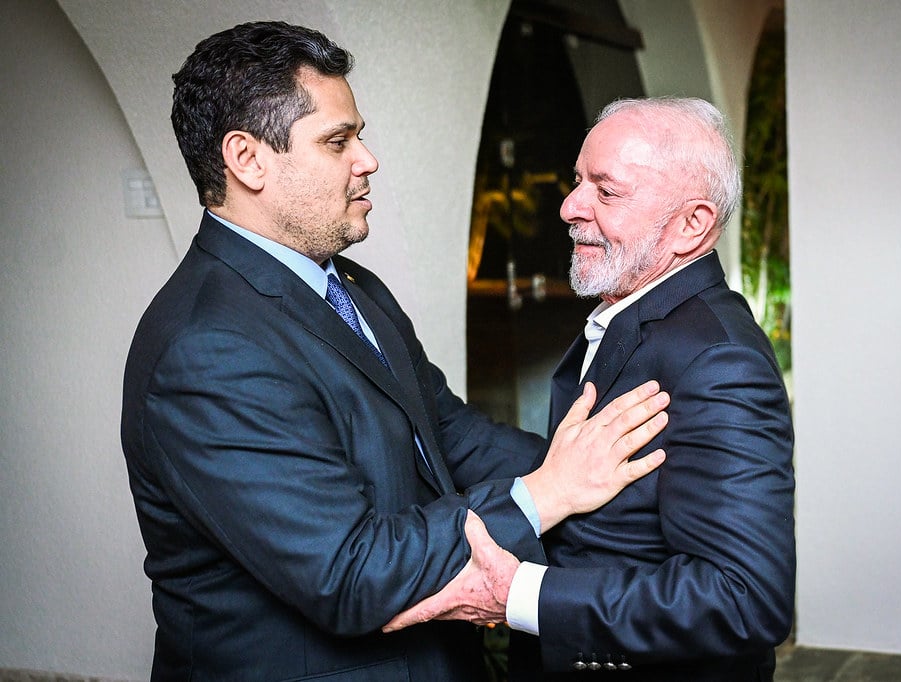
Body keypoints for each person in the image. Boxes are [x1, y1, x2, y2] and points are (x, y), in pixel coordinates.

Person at [120, 21, 670, 681]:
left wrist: (626, 479)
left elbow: (449, 434)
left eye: (359, 135)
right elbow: (349, 572)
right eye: (337, 141)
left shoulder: (353, 287)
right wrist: (546, 492)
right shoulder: (206, 348)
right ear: (247, 159)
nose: (367, 159)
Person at [389, 98, 795, 680]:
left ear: (692, 224)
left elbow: (744, 599)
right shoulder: (638, 313)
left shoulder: (718, 358)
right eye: (578, 181)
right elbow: (593, 478)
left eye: (606, 191)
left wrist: (520, 593)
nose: (569, 207)